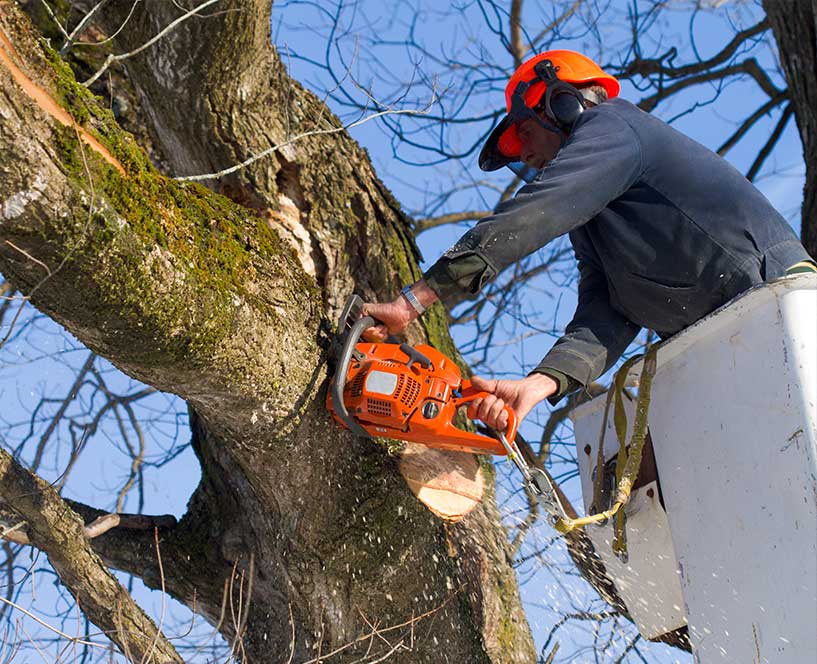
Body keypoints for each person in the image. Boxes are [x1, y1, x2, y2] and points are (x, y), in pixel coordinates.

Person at [363, 50, 816, 434]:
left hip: (778, 303)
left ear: (563, 105)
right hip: (724, 344)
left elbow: (538, 211)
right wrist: (537, 385)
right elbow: (607, 313)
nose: (526, 154)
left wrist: (413, 302)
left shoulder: (616, 128)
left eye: (524, 133)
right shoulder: (595, 219)